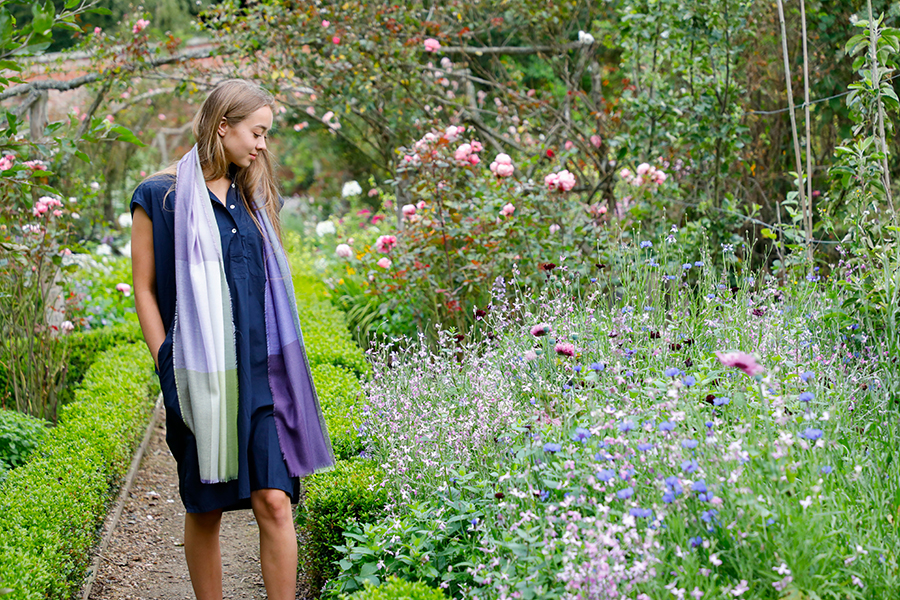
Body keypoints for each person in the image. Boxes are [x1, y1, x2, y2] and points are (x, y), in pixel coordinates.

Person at [130, 79, 333, 600]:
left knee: (275, 501)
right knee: (207, 507)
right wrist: (164, 360)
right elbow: (145, 289)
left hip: (265, 375)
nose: (262, 145)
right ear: (223, 126)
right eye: (256, 132)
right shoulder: (160, 195)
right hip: (201, 377)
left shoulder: (256, 196)